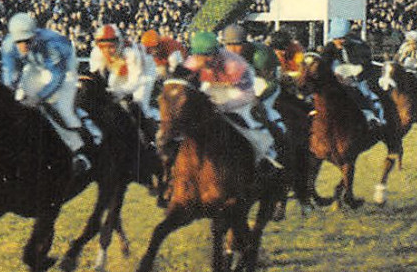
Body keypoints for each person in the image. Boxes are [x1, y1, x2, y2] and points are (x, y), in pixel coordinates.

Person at [0, 12, 101, 175]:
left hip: (63, 68)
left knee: (61, 107)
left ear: (34, 36)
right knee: (19, 100)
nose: (23, 45)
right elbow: (10, 76)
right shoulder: (8, 45)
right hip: (36, 66)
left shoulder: (53, 44)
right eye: (19, 41)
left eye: (27, 40)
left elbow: (57, 76)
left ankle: (80, 151)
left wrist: (40, 97)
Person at [182, 30, 280, 169]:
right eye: (199, 55)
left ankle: (267, 153)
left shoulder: (235, 63)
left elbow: (246, 94)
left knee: (249, 118)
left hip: (242, 89)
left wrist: (224, 105)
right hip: (217, 88)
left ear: (216, 53)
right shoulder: (192, 62)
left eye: (208, 55)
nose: (203, 59)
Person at [219, 23, 286, 139]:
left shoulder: (260, 56)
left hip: (266, 87)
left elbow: (271, 83)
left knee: (259, 112)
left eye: (237, 44)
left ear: (246, 43)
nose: (233, 49)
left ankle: (275, 142)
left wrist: (256, 99)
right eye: (229, 44)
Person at [321, 17, 386, 128]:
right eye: (335, 38)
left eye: (341, 38)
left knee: (365, 92)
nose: (338, 41)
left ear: (347, 37)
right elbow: (324, 65)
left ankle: (373, 117)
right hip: (339, 79)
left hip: (360, 78)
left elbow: (363, 66)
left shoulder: (359, 46)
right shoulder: (329, 47)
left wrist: (352, 77)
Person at [90, 23, 158, 122]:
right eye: (103, 47)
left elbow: (135, 82)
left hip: (144, 72)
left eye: (111, 46)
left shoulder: (131, 52)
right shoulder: (96, 52)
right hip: (120, 69)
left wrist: (118, 92)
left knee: (139, 104)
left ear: (118, 42)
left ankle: (150, 129)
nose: (107, 51)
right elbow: (95, 76)